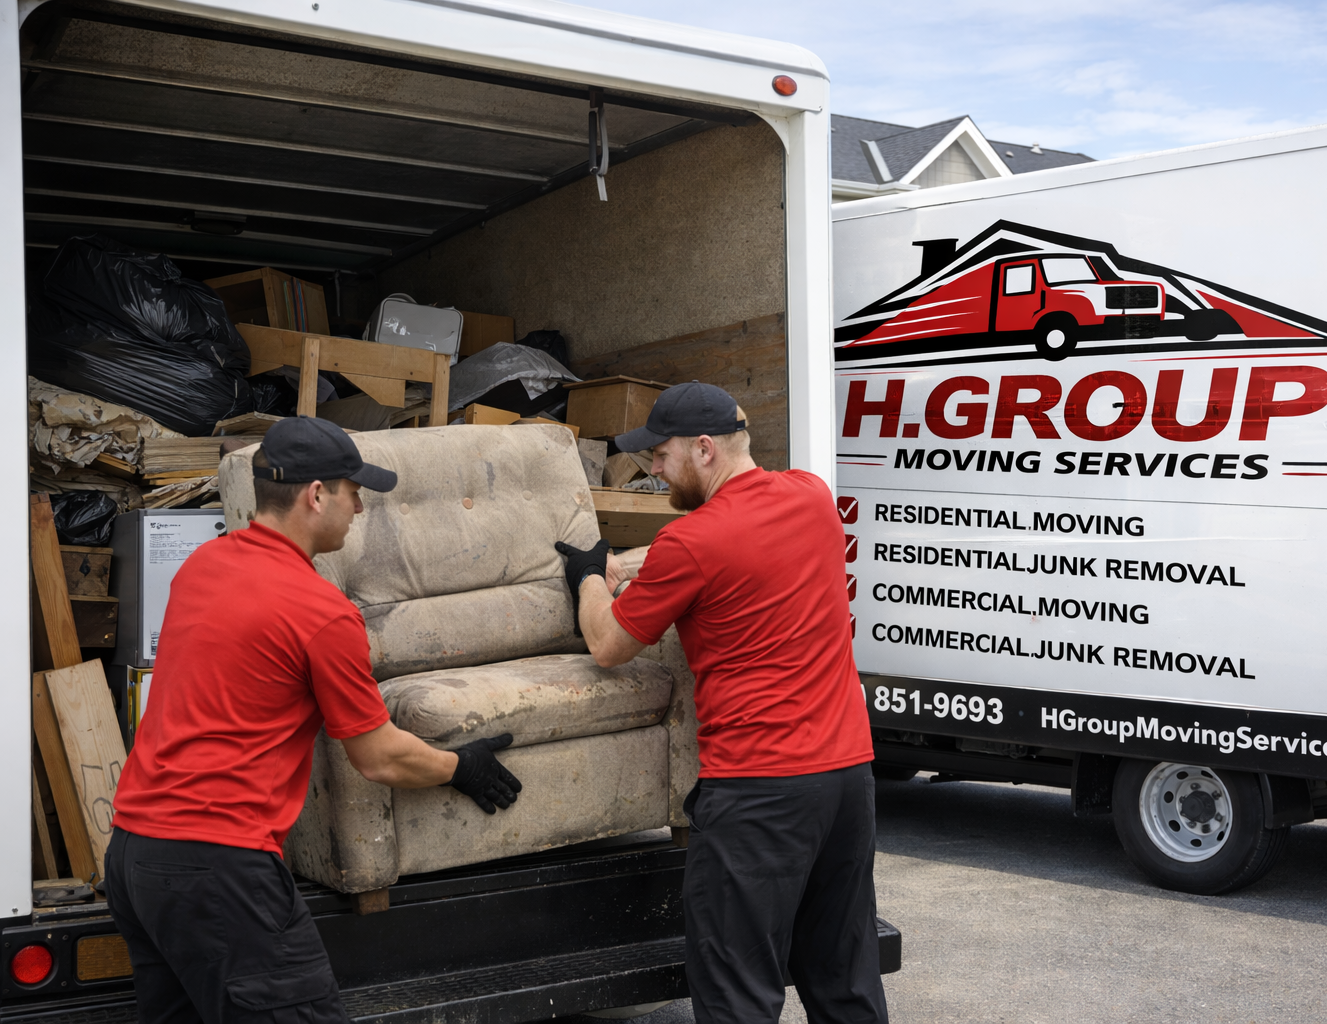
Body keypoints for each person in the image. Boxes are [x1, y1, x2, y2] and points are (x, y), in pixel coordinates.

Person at [108, 416, 523, 1024]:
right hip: (219, 866)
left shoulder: (203, 567)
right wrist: (461, 765)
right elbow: (376, 756)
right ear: (316, 495)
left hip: (135, 856)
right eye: (353, 490)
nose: (359, 506)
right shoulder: (321, 613)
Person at [554, 382, 887, 1024]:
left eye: (660, 453)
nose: (652, 467)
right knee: (844, 980)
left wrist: (591, 577)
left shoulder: (693, 542)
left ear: (703, 449)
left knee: (738, 996)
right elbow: (732, 547)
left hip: (759, 795)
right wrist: (631, 562)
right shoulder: (812, 498)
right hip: (847, 782)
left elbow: (607, 644)